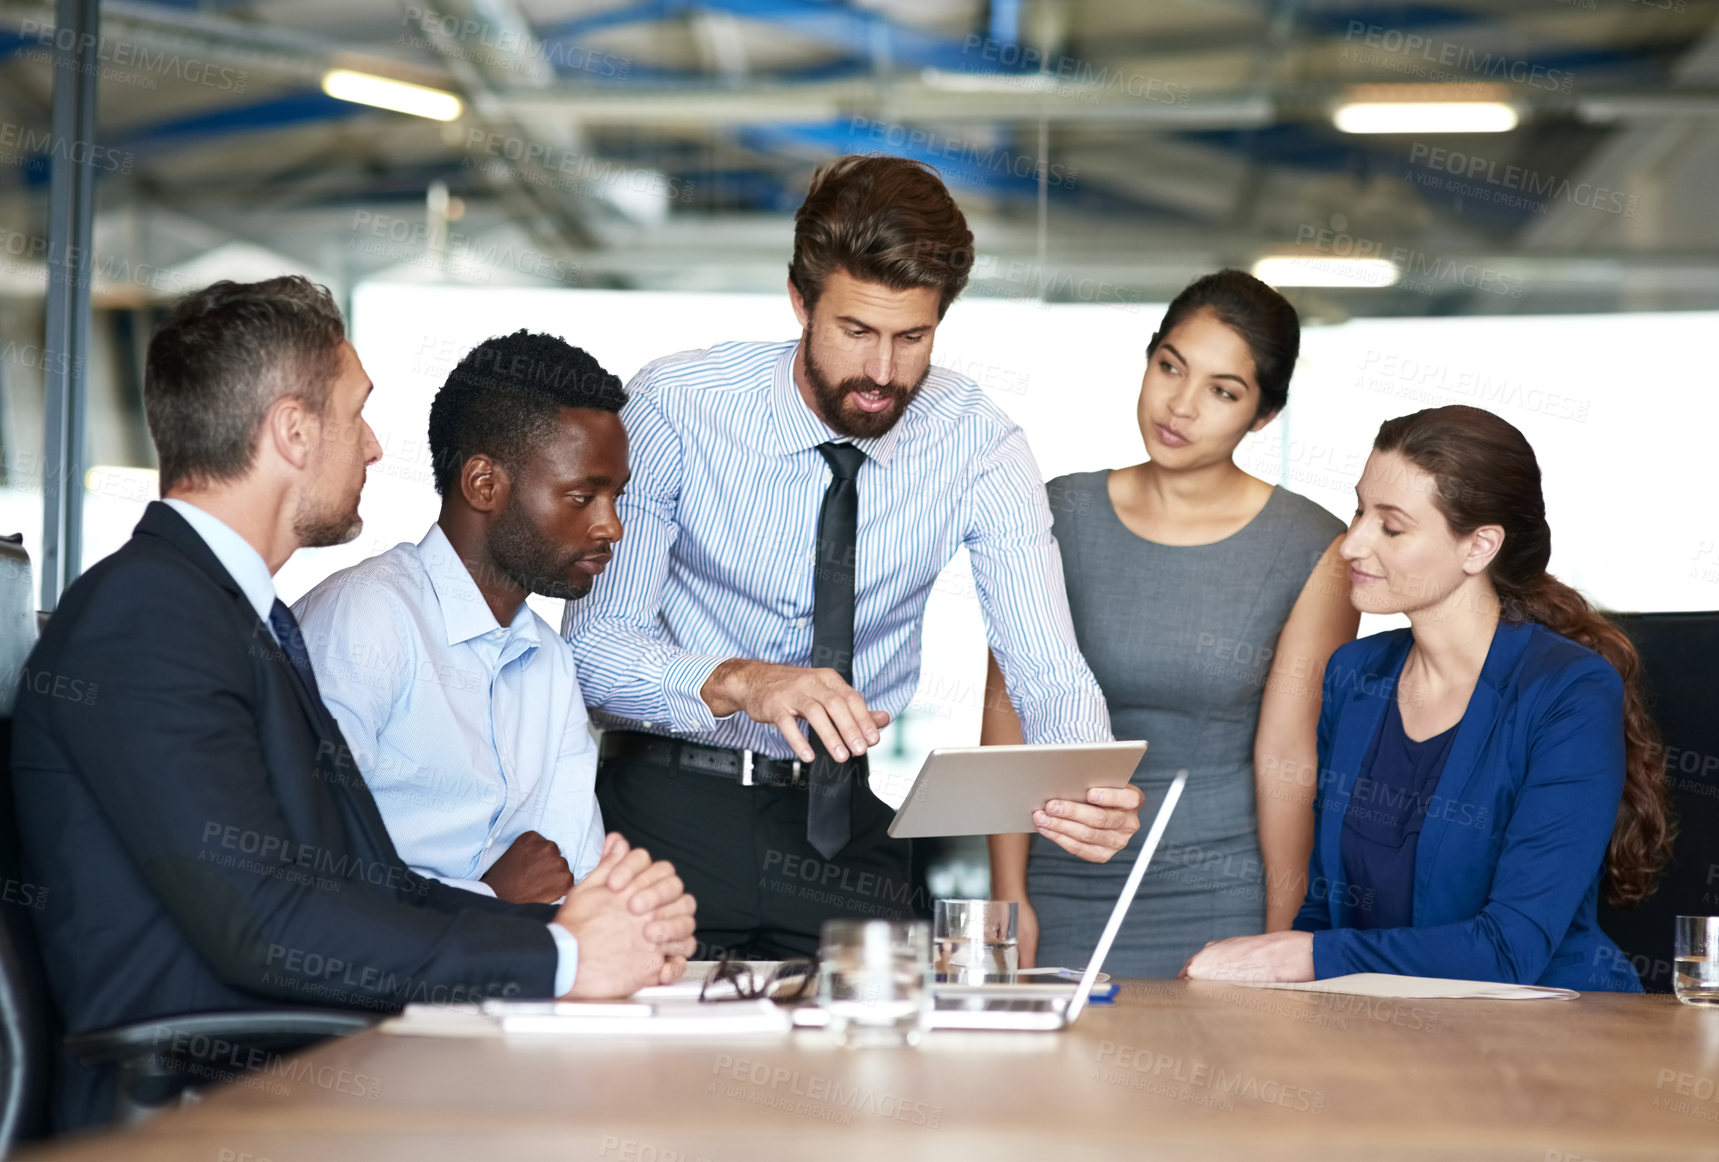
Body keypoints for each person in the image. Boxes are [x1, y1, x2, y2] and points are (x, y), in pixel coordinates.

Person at [11, 278, 695, 1131]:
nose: (373, 447)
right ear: (293, 433)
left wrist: (575, 927)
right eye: (355, 413)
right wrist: (557, 956)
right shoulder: (150, 618)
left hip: (290, 1064)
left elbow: (368, 885)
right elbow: (265, 924)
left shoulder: (228, 613)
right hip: (202, 1100)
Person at [564, 154, 1144, 958]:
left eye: (913, 337)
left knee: (879, 1062)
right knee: (653, 1073)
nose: (881, 372)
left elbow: (1045, 666)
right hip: (666, 813)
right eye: (855, 331)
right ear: (800, 301)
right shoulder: (675, 405)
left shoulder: (979, 443)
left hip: (840, 826)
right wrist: (742, 680)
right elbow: (591, 652)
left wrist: (1089, 780)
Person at [1182, 405, 1672, 990]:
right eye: (1359, 510)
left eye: (1391, 527)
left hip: (1546, 1047)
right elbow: (1326, 912)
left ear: (1479, 547)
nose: (1351, 545)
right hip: (1386, 1037)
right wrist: (1273, 976)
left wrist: (1304, 959)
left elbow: (1507, 952)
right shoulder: (1356, 674)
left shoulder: (1568, 691)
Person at [983, 270, 1357, 977]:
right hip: (1060, 885)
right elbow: (1007, 709)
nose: (1180, 405)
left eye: (1223, 391)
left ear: (1263, 416)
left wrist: (1279, 932)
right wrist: (1008, 892)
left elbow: (1287, 760)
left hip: (1220, 897)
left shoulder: (1313, 546)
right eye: (1169, 368)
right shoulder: (1056, 512)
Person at [295, 332, 625, 905]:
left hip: (508, 980)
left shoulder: (549, 660)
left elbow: (575, 883)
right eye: (582, 497)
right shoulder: (366, 620)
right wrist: (486, 898)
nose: (611, 527)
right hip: (363, 990)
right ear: (483, 483)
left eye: (617, 497)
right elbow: (307, 877)